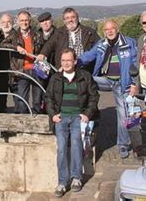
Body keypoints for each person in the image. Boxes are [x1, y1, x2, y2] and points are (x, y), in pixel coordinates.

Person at [77, 20, 137, 159]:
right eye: (106, 30)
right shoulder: (101, 44)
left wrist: (133, 83)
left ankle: (123, 144)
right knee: (83, 80)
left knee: (123, 113)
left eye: (112, 29)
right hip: (106, 80)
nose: (109, 32)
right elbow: (88, 56)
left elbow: (134, 64)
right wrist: (73, 61)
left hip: (122, 83)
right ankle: (86, 118)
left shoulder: (129, 43)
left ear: (117, 29)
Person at [45, 48, 99, 197]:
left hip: (78, 117)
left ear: (75, 61)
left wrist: (87, 114)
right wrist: (53, 114)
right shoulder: (55, 78)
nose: (66, 63)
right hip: (61, 118)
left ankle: (76, 178)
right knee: (61, 147)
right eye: (63, 61)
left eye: (69, 60)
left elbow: (94, 96)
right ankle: (62, 182)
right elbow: (48, 97)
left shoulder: (85, 77)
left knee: (76, 143)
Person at [1, 10, 43, 114]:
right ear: (18, 22)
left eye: (26, 20)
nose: (24, 23)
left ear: (30, 21)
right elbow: (3, 44)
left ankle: (36, 123)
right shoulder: (14, 34)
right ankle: (23, 122)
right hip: (21, 70)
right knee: (22, 101)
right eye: (22, 20)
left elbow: (43, 48)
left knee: (37, 99)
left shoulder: (37, 34)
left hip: (36, 69)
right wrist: (16, 47)